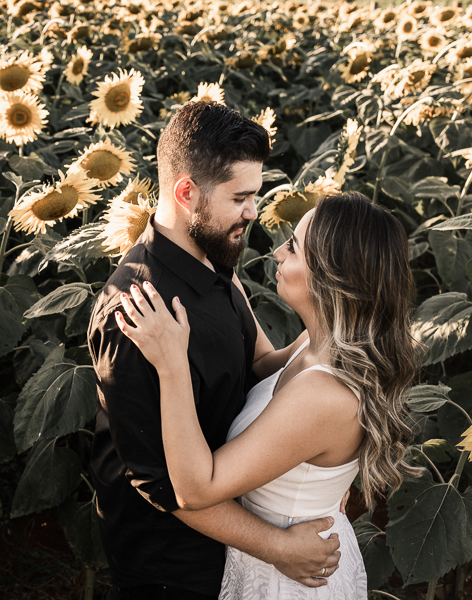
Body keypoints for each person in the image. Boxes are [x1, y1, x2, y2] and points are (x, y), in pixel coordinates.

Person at [87, 101, 343, 600]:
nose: (253, 212)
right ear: (187, 193)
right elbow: (162, 485)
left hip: (232, 541)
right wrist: (279, 547)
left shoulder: (214, 268)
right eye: (241, 197)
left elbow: (258, 367)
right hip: (173, 567)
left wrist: (337, 328)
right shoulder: (138, 314)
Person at [115, 191, 422, 598]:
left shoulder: (325, 393)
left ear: (331, 278)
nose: (277, 252)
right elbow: (262, 364)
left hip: (289, 578)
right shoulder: (319, 345)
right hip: (276, 557)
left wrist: (171, 364)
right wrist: (216, 267)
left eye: (293, 247)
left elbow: (196, 489)